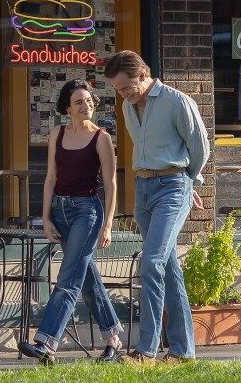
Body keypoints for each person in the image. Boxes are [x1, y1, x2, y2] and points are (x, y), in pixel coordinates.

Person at [104, 50, 209, 364]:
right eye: (118, 89)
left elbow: (200, 145)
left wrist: (188, 182)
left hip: (173, 186)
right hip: (144, 189)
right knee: (168, 268)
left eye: (126, 87)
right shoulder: (126, 106)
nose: (122, 94)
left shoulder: (177, 102)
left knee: (150, 263)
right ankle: (182, 351)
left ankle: (146, 351)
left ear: (142, 75)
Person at [18, 79, 124, 364]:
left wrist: (109, 225)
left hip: (86, 213)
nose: (86, 105)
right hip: (60, 211)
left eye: (89, 101)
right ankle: (113, 336)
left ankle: (46, 343)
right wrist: (44, 217)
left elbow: (111, 183)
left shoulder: (101, 137)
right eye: (79, 102)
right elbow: (50, 178)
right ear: (67, 107)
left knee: (67, 279)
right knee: (86, 276)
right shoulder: (56, 133)